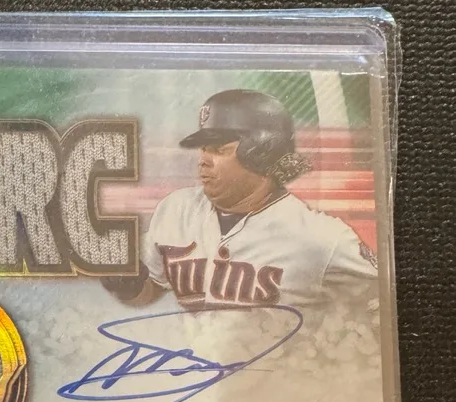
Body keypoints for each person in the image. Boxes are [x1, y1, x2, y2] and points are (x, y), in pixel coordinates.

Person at [102, 89, 378, 308]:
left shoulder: (323, 238)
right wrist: (126, 285)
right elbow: (152, 287)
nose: (203, 160)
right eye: (203, 149)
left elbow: (381, 306)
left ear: (262, 153)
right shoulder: (177, 209)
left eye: (218, 149)